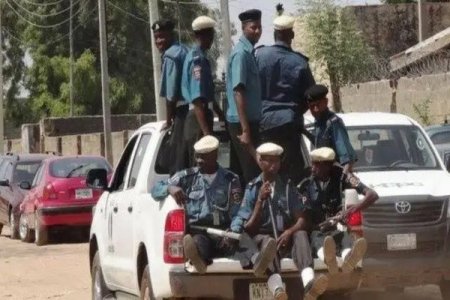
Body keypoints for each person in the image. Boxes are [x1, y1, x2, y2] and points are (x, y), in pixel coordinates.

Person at [151, 135, 275, 276]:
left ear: (215, 155)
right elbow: (155, 190)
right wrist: (169, 188)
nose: (199, 160)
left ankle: (258, 263)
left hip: (225, 233)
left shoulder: (230, 179)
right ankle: (198, 261)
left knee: (243, 241)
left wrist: (233, 231)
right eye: (197, 156)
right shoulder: (186, 177)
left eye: (203, 157)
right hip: (201, 232)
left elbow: (238, 213)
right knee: (197, 243)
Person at [230, 143, 328, 300]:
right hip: (262, 238)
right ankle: (277, 289)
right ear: (260, 161)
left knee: (301, 233)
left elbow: (302, 219)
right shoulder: (252, 188)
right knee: (269, 242)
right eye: (268, 161)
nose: (273, 165)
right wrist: (260, 201)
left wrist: (290, 232)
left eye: (276, 161)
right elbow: (248, 228)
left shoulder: (288, 187)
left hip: (284, 237)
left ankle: (309, 283)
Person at [298, 147, 378, 276]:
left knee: (344, 237)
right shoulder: (305, 182)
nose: (313, 168)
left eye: (317, 165)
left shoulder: (342, 176)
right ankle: (329, 260)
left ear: (328, 166)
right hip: (315, 230)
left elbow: (372, 195)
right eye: (313, 163)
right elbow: (301, 215)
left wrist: (349, 211)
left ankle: (348, 259)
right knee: (317, 238)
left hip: (334, 228)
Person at [256, 12, 315, 185]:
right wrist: (295, 111)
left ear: (274, 34)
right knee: (291, 174)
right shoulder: (300, 62)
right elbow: (311, 96)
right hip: (290, 124)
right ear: (292, 35)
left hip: (264, 123)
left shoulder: (259, 56)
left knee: (266, 170)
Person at [226, 9, 263, 185]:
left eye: (259, 27)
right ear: (243, 28)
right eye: (253, 27)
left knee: (243, 177)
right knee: (252, 176)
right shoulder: (241, 54)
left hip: (249, 122)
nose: (257, 31)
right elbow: (238, 92)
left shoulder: (249, 52)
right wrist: (246, 130)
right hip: (242, 124)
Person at [181, 16, 224, 167]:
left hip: (203, 115)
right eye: (210, 35)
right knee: (200, 164)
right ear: (203, 36)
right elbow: (198, 99)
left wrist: (219, 112)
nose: (211, 40)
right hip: (197, 119)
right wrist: (206, 132)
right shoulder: (196, 60)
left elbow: (209, 93)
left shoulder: (203, 57)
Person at [152, 19, 189, 175]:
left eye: (162, 36)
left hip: (182, 111)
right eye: (156, 37)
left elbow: (171, 95)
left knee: (178, 162)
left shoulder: (171, 56)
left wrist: (168, 121)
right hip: (195, 110)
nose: (159, 41)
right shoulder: (185, 50)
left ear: (171, 35)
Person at [305, 84, 357, 172]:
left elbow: (347, 160)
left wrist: (341, 181)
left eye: (318, 105)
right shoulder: (319, 124)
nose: (315, 109)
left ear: (326, 102)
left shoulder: (333, 123)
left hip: (335, 176)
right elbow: (321, 145)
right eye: (312, 106)